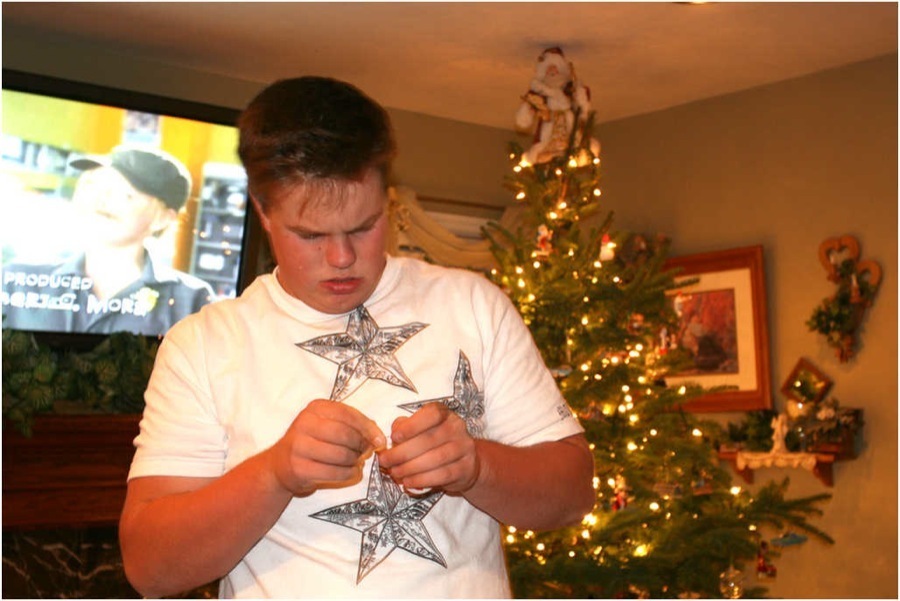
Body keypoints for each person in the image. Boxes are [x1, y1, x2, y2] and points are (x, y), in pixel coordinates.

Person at [119, 76, 595, 599]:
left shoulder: (474, 304)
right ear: (262, 209)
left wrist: (476, 466)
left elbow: (572, 494)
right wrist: (274, 474)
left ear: (387, 198)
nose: (342, 258)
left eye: (365, 225)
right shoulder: (203, 344)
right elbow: (150, 567)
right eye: (312, 235)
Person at [1, 145, 214, 335]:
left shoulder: (191, 300)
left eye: (125, 194)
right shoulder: (16, 280)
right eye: (91, 185)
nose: (100, 200)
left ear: (163, 218)